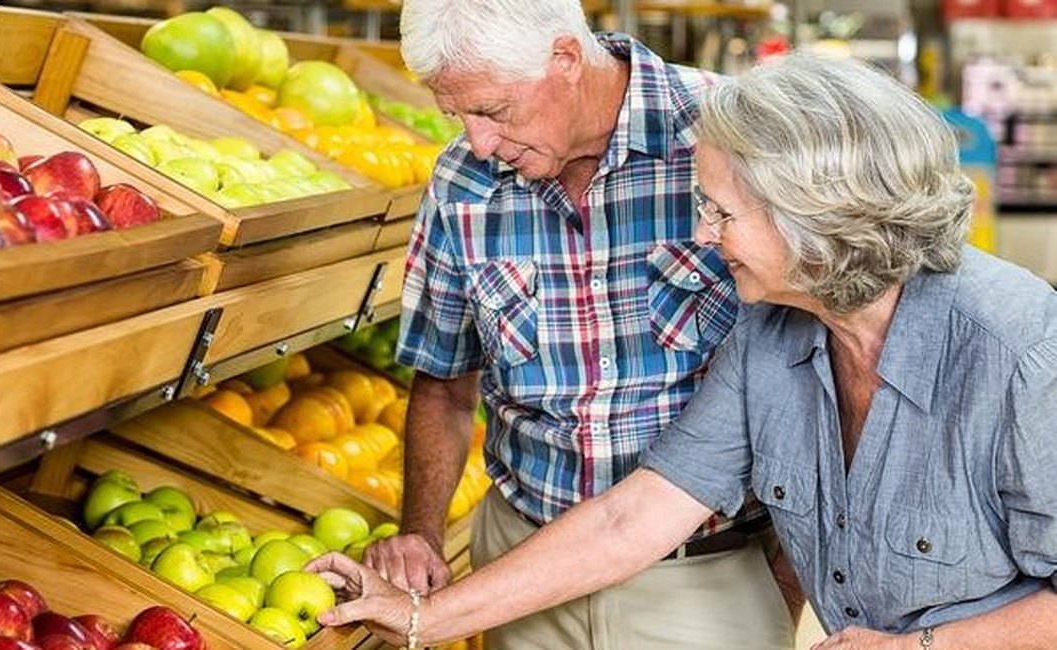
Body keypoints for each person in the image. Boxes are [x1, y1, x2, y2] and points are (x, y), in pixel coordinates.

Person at [311, 53, 1057, 649]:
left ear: (816, 219)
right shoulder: (771, 335)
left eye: (720, 212)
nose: (701, 235)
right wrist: (418, 620)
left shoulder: (1018, 349)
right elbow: (632, 517)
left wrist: (922, 647)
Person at [363, 0, 797, 648]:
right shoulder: (462, 183)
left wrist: (792, 570)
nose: (477, 142)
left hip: (702, 575)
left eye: (492, 111)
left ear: (565, 58)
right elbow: (445, 386)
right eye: (456, 115)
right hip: (520, 569)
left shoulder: (728, 135)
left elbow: (820, 358)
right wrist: (422, 534)